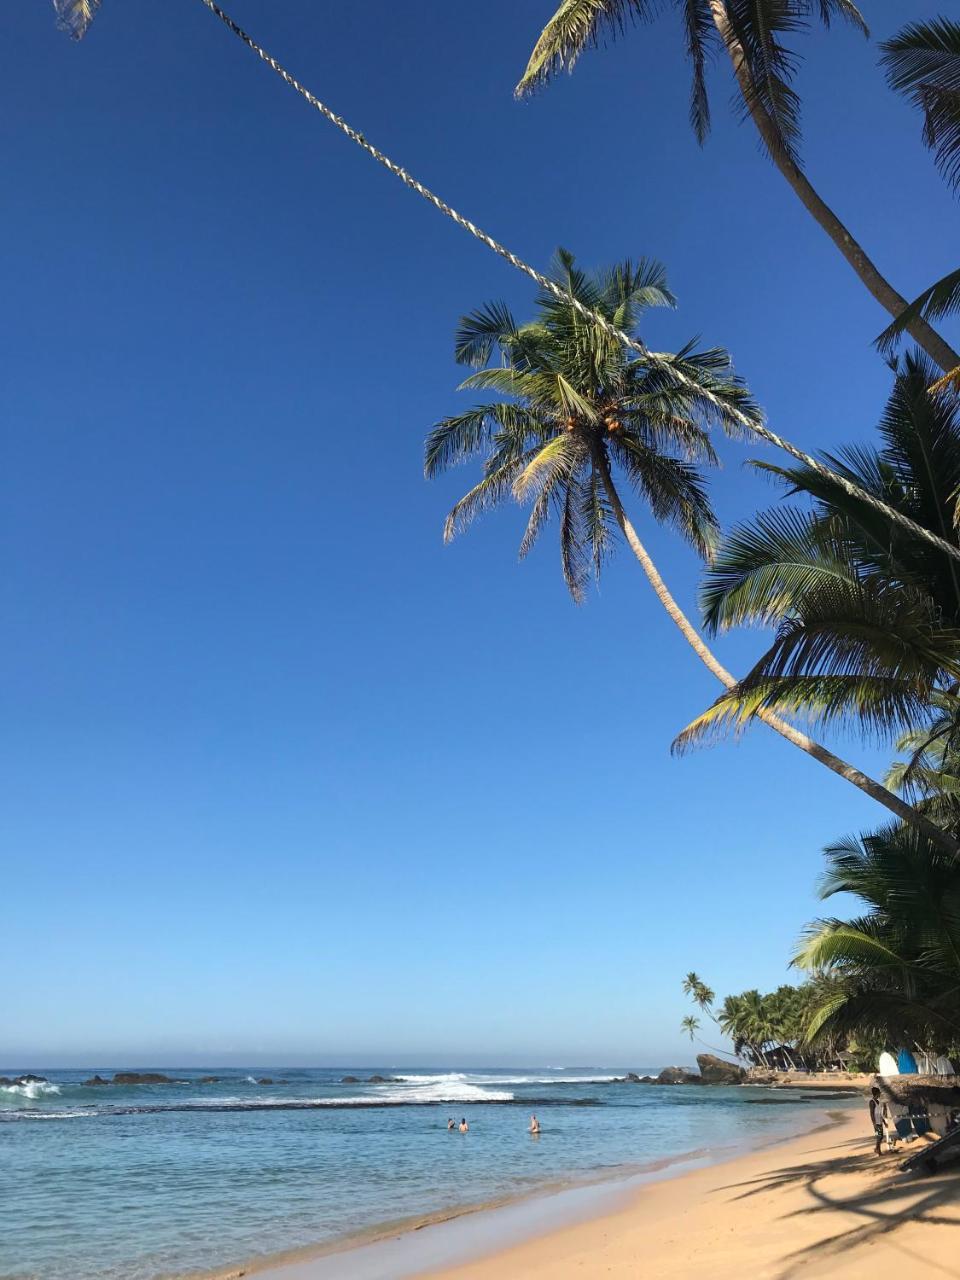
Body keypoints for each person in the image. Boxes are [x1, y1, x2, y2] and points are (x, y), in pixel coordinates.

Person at [869, 1087, 892, 1156]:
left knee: (880, 1136)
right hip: (876, 1122)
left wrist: (884, 1122)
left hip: (880, 1121)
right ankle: (878, 1150)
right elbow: (871, 1113)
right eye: (879, 1093)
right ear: (877, 1093)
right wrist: (874, 1123)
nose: (880, 1094)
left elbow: (879, 1113)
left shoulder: (878, 1102)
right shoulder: (872, 1102)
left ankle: (877, 1149)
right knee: (879, 1136)